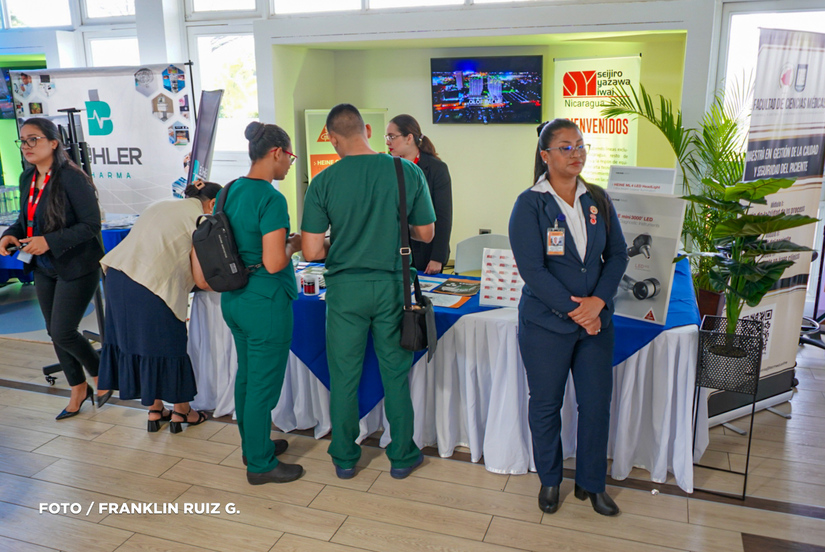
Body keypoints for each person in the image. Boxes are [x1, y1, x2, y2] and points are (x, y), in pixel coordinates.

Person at [302, 104, 435, 480]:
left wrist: (345, 241)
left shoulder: (323, 181)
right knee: (396, 373)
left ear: (332, 138)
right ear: (368, 131)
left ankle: (345, 457)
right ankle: (402, 455)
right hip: (394, 286)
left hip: (345, 290)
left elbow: (311, 251)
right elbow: (426, 233)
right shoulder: (405, 170)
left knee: (344, 376)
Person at [508, 119, 628, 516]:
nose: (576, 153)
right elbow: (533, 270)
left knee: (596, 405)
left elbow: (618, 255)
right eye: (565, 147)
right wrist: (580, 311)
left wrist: (598, 303)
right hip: (546, 325)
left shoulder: (598, 199)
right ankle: (550, 480)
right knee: (546, 404)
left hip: (596, 325)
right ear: (545, 156)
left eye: (580, 145)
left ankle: (591, 485)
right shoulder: (530, 204)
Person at [0, 117, 106, 420]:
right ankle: (78, 388)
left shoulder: (72, 178)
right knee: (54, 331)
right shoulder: (27, 177)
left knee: (63, 330)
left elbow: (91, 225)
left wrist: (48, 241)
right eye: (22, 140)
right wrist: (9, 234)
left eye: (33, 139)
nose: (26, 146)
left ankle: (100, 373)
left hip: (78, 264)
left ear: (54, 143)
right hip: (44, 266)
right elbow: (25, 219)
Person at [218, 121, 304, 485]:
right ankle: (260, 464)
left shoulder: (229, 190)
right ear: (276, 153)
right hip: (265, 301)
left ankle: (253, 445)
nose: (290, 165)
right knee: (263, 386)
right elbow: (273, 261)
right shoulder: (271, 198)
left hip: (234, 298)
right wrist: (294, 244)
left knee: (247, 376)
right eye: (290, 157)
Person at [97, 181, 221, 433]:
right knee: (170, 347)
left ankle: (155, 410)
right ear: (213, 203)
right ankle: (182, 411)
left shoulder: (161, 204)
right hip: (151, 286)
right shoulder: (202, 220)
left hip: (117, 278)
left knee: (139, 347)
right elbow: (201, 280)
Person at [385, 114, 452, 274]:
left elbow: (443, 216)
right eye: (386, 137)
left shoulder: (436, 168)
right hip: (392, 250)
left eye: (392, 137)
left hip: (425, 251)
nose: (388, 142)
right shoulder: (386, 166)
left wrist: (437, 257)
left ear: (409, 138)